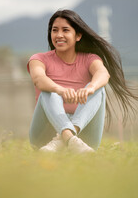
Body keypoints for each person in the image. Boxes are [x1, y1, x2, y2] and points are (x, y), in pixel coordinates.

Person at [27, 9, 137, 153]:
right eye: (55, 30)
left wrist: (90, 88)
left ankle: (67, 138)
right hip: (44, 138)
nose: (59, 35)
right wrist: (60, 90)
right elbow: (39, 79)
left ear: (78, 35)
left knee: (99, 89)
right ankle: (68, 137)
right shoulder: (39, 59)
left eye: (65, 30)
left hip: (85, 140)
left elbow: (102, 73)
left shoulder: (90, 59)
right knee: (49, 92)